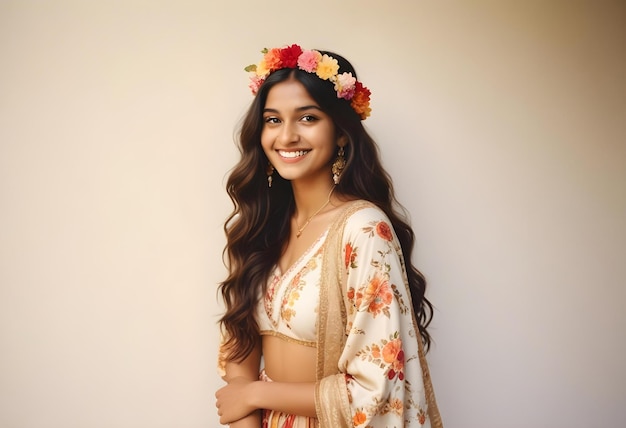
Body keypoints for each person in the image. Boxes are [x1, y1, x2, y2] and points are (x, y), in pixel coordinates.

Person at [215, 44, 442, 428]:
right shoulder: (262, 224)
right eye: (273, 120)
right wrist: (247, 413)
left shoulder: (364, 230)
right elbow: (241, 344)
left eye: (307, 118)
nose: (286, 136)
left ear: (340, 132)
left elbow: (378, 390)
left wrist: (255, 393)